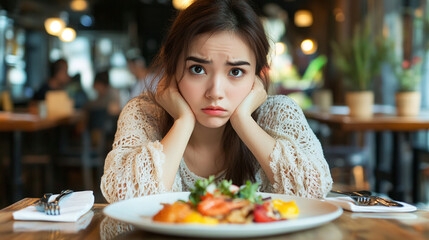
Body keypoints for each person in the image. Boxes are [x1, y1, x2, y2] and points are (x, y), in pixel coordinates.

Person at [101, 0, 332, 203]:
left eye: (236, 72)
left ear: (257, 76)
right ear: (172, 69)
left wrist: (243, 120)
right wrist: (183, 122)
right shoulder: (144, 113)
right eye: (198, 69)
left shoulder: (278, 112)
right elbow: (127, 199)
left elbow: (313, 192)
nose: (215, 92)